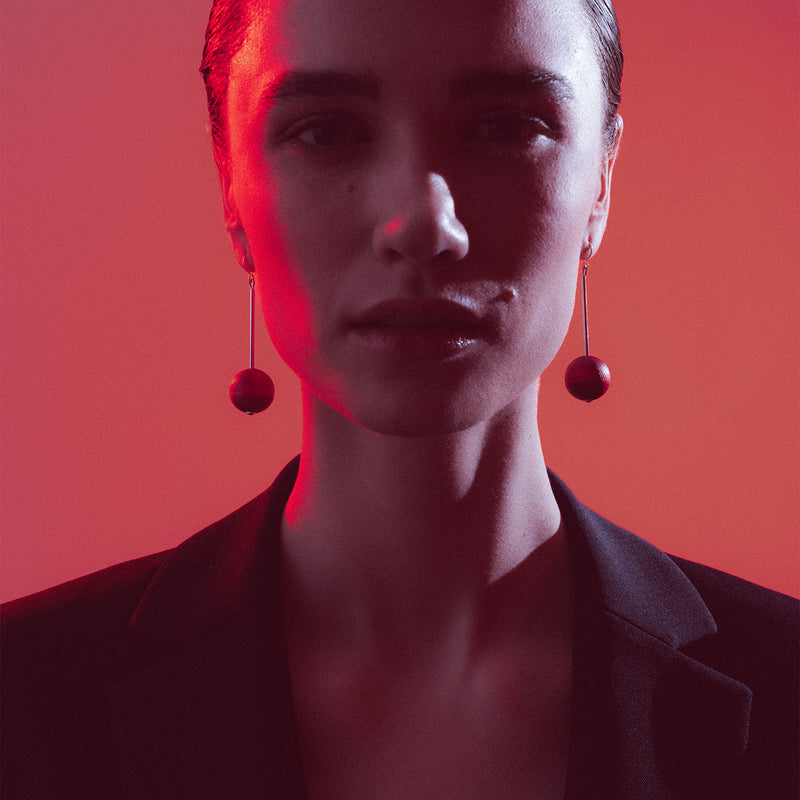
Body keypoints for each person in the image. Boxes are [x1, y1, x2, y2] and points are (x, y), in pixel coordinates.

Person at [1, 0, 797, 797]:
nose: (423, 223)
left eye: (508, 126)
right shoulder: (23, 704)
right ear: (230, 184)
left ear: (602, 180)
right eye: (325, 131)